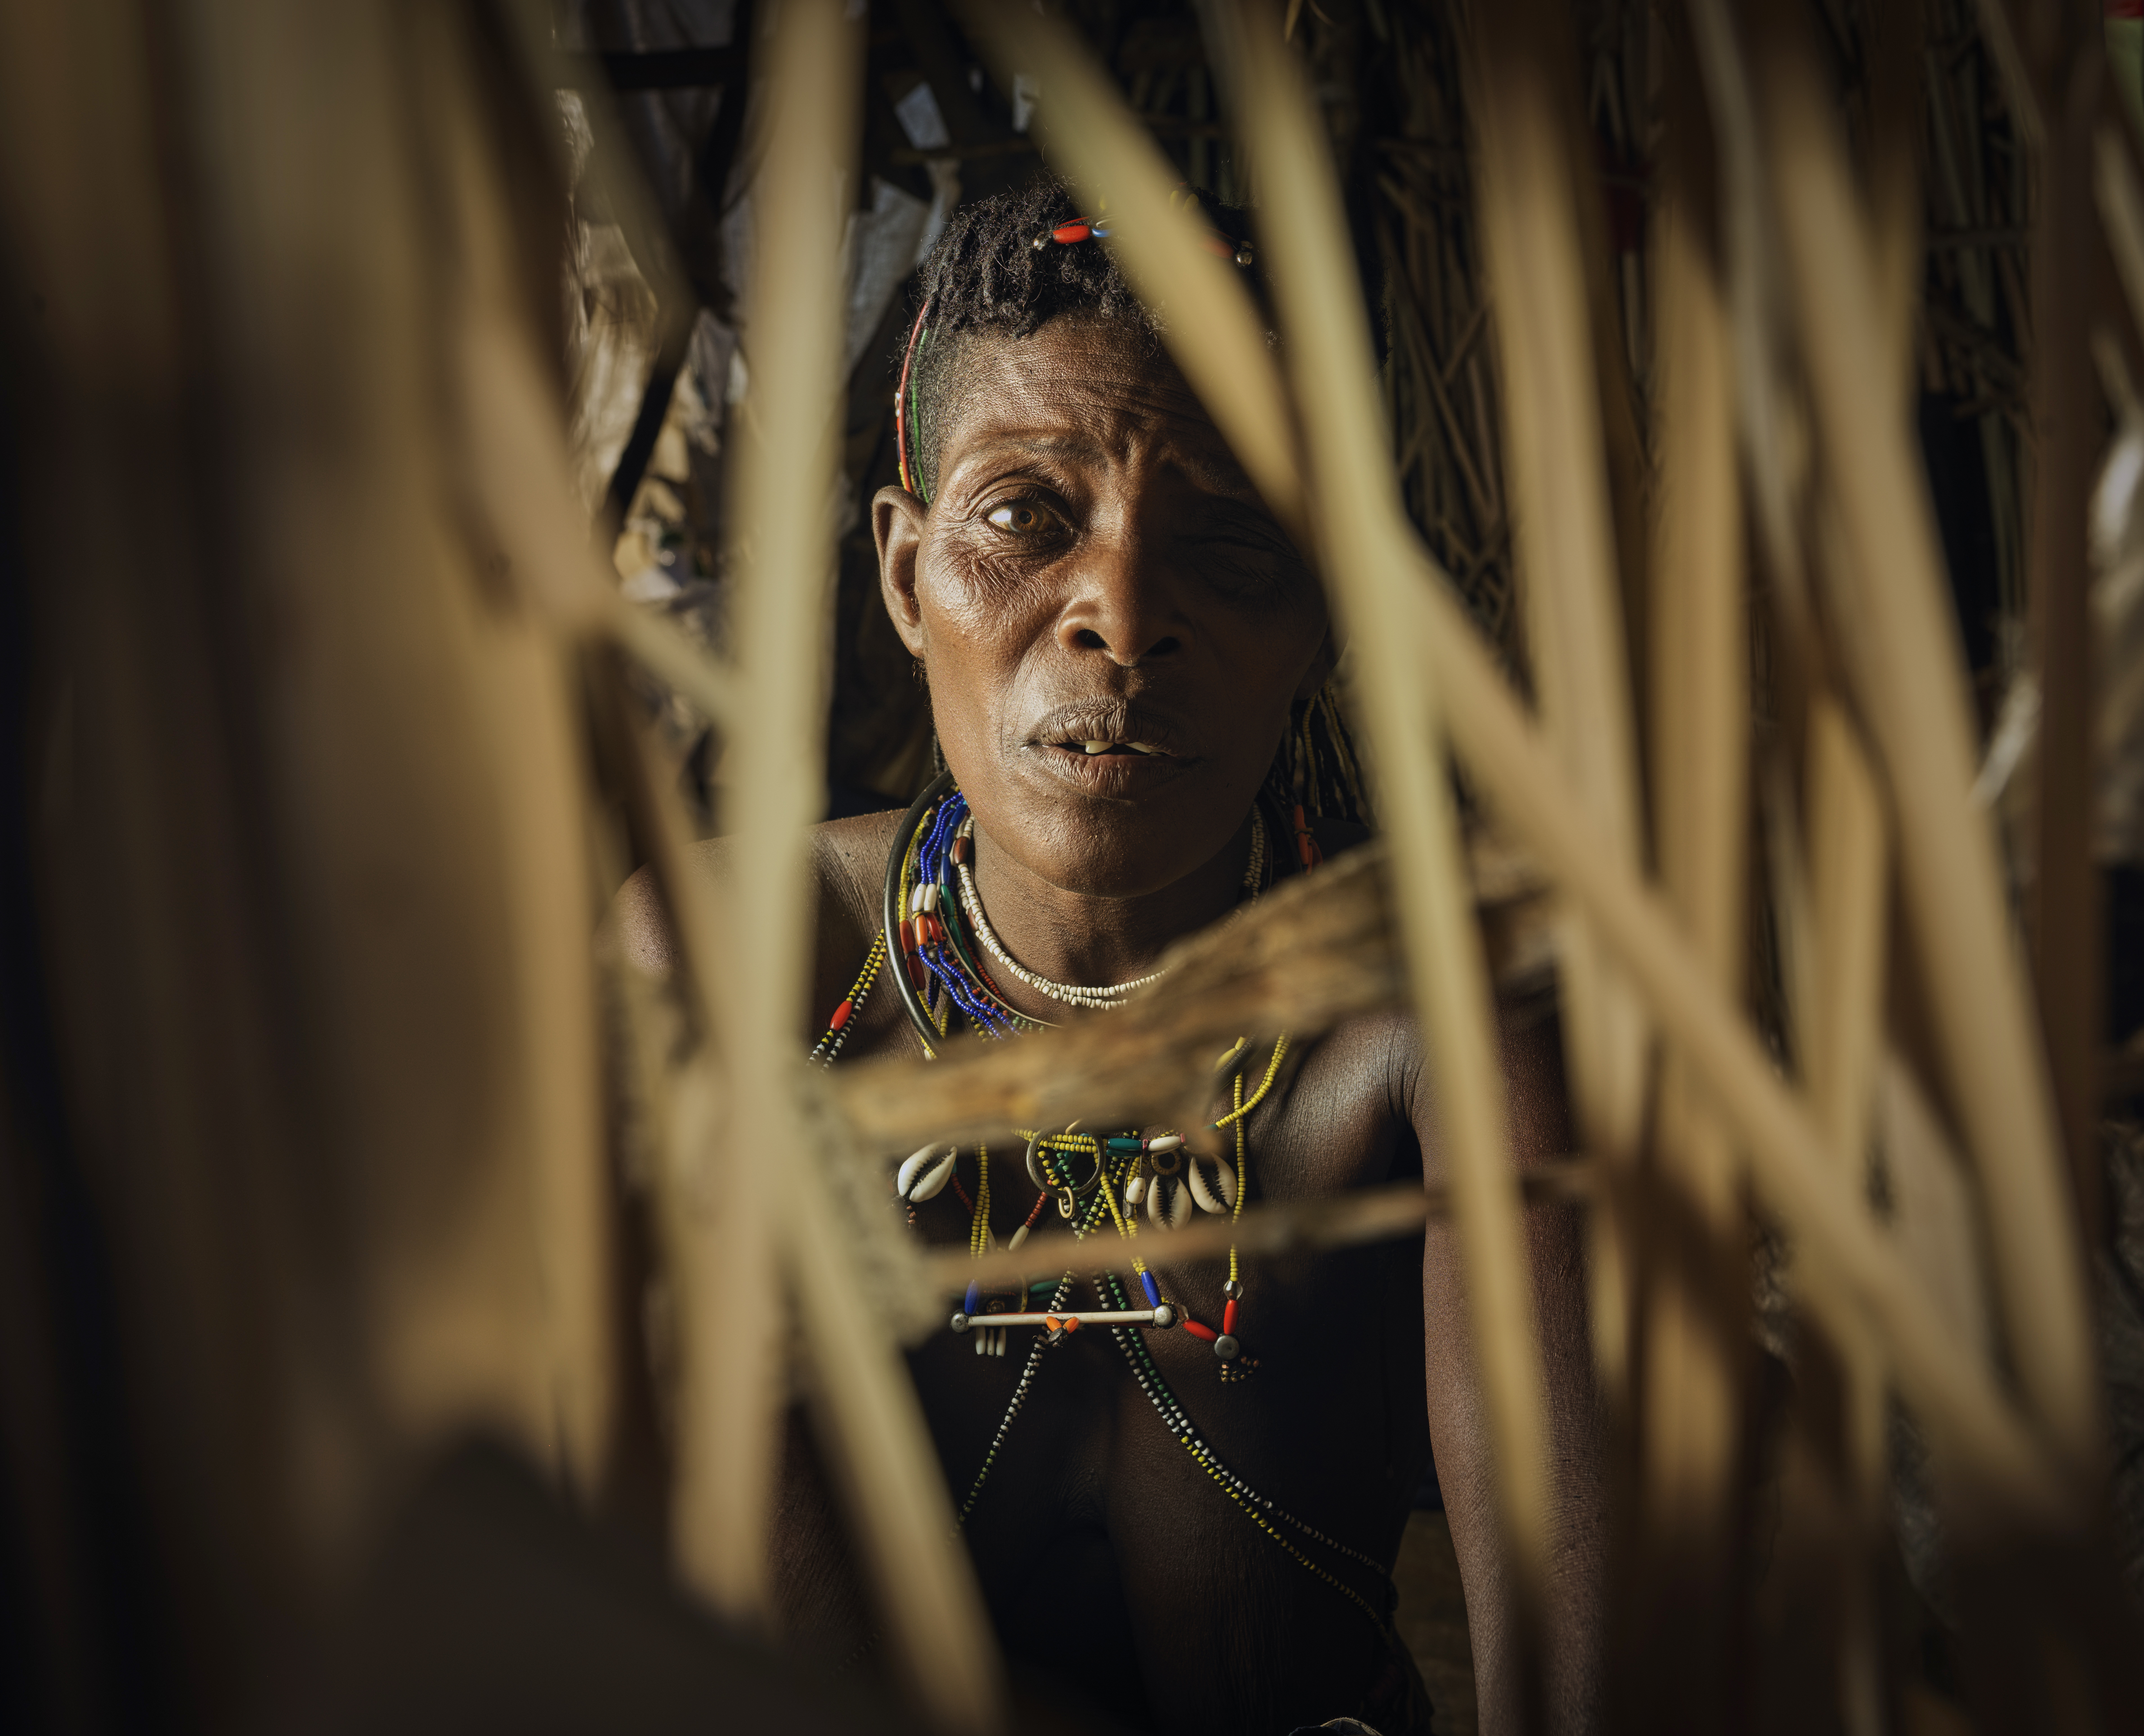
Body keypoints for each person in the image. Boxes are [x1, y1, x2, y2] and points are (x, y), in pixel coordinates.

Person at [618, 174, 1599, 1736]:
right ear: (902, 574)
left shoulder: (1438, 1020)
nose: (1125, 617)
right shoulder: (732, 967)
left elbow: (1576, 1682)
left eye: (1227, 542)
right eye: (1029, 518)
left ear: (1323, 609)